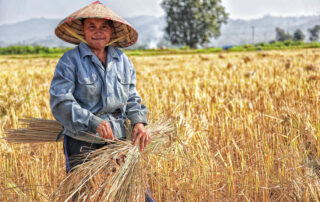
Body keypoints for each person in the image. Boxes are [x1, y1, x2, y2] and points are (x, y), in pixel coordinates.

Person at [50, 1, 153, 201]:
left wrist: (139, 122)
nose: (98, 32)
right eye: (92, 26)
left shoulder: (122, 60)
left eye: (104, 27)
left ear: (112, 31)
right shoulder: (70, 61)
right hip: (82, 140)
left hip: (117, 138)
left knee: (134, 192)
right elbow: (60, 101)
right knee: (81, 194)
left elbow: (132, 96)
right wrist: (93, 122)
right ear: (83, 30)